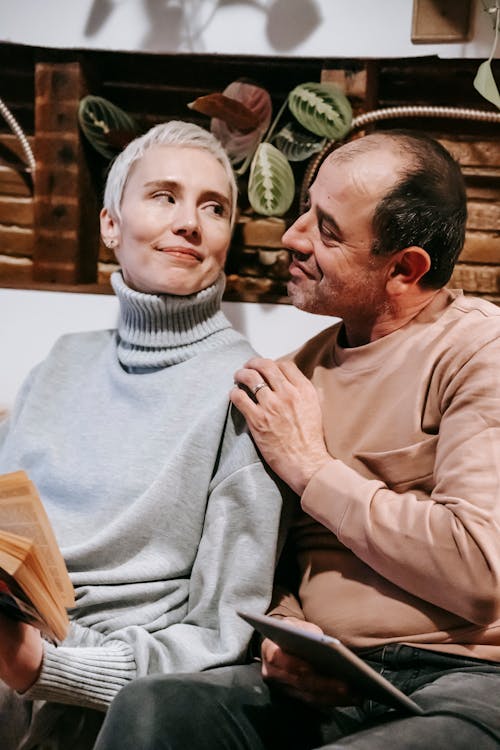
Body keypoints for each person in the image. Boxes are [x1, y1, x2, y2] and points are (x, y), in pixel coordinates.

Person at [93, 130, 500, 750]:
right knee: (154, 710)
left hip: (465, 678)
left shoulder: (479, 351)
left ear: (405, 269)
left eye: (327, 230)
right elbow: (266, 559)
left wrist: (312, 468)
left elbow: (478, 568)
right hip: (335, 676)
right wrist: (284, 631)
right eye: (306, 207)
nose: (292, 235)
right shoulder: (291, 376)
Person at [0, 121, 287, 749]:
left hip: (100, 688)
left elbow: (221, 633)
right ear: (110, 225)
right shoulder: (59, 361)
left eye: (214, 207)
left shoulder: (248, 393)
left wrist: (47, 665)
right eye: (164, 195)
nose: (190, 221)